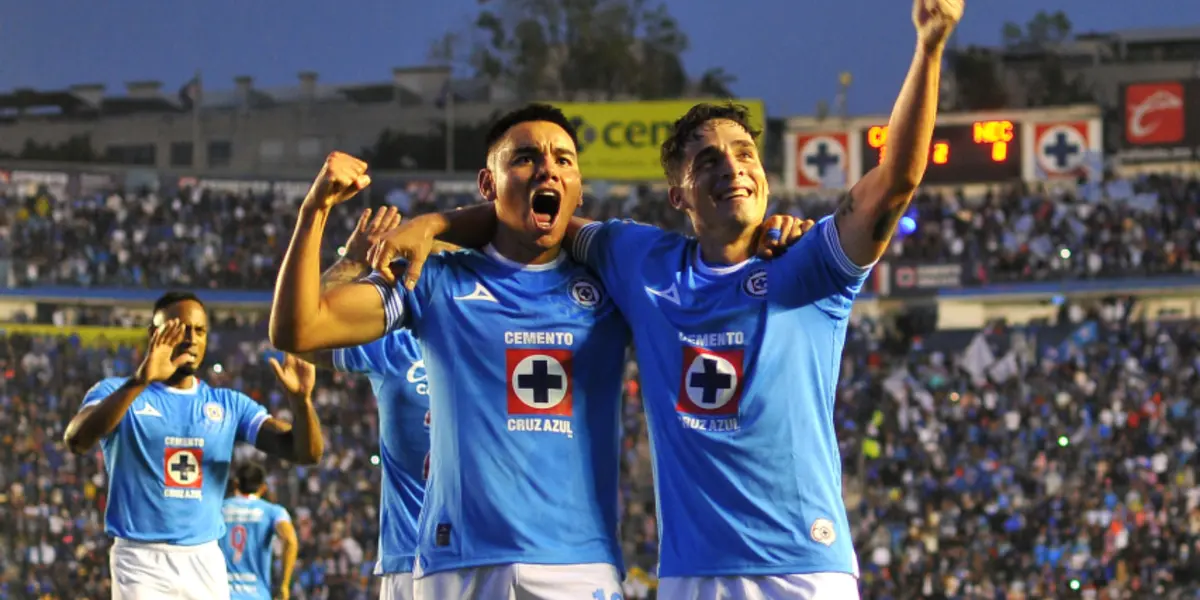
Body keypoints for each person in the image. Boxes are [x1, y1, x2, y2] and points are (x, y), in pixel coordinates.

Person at [367, 2, 960, 597]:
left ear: (765, 177)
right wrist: (435, 224)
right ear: (679, 195)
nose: (732, 168)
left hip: (804, 565)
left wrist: (929, 46)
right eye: (708, 161)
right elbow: (537, 219)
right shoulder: (640, 261)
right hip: (690, 576)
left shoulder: (809, 266)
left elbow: (896, 181)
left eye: (744, 154)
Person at [269, 105, 634, 600]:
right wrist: (314, 211)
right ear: (488, 183)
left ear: (578, 187)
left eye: (563, 160)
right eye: (525, 158)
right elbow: (298, 330)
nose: (548, 169)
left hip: (579, 565)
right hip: (457, 564)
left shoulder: (613, 286)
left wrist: (436, 222)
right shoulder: (434, 278)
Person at [63, 291, 324, 600]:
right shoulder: (117, 392)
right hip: (141, 561)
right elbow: (77, 440)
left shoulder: (228, 404)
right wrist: (140, 380)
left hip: (206, 559)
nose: (190, 339)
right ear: (153, 334)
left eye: (199, 330)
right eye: (179, 329)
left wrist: (302, 403)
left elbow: (306, 453)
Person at [298, 205, 443, 600]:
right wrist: (352, 262)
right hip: (410, 560)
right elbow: (307, 333)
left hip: (494, 553)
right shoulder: (394, 342)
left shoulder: (497, 334)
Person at [221, 462, 299, 599]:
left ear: (235, 484)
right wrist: (284, 585)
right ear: (263, 488)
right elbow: (290, 540)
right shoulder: (273, 512)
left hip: (220, 594)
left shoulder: (218, 509)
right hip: (257, 595)